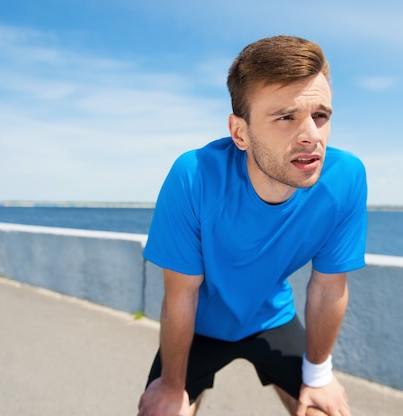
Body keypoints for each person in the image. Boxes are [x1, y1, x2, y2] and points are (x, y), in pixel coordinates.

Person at [137, 35, 367, 416]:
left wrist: (320, 375)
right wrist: (172, 387)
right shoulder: (194, 176)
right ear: (240, 133)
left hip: (269, 316)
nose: (311, 135)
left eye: (320, 116)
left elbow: (328, 288)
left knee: (324, 412)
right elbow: (181, 296)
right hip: (199, 324)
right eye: (286, 117)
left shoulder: (345, 178)